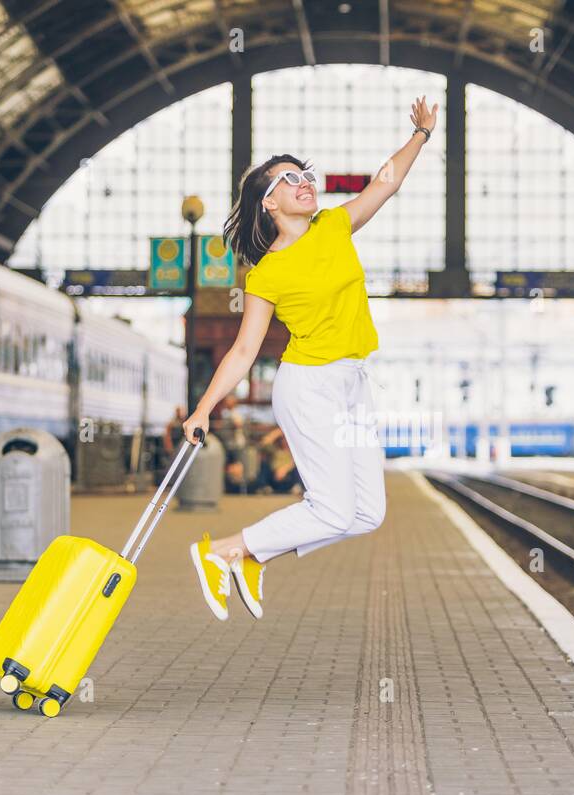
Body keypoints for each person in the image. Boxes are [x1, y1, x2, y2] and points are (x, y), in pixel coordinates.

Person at [182, 96, 439, 621]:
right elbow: (245, 350)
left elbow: (385, 183)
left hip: (354, 384)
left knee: (366, 513)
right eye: (287, 180)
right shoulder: (266, 273)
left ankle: (253, 553)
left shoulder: (334, 226)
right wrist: (203, 408)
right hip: (310, 388)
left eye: (304, 174)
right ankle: (223, 550)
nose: (303, 181)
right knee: (333, 507)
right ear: (268, 205)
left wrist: (421, 135)